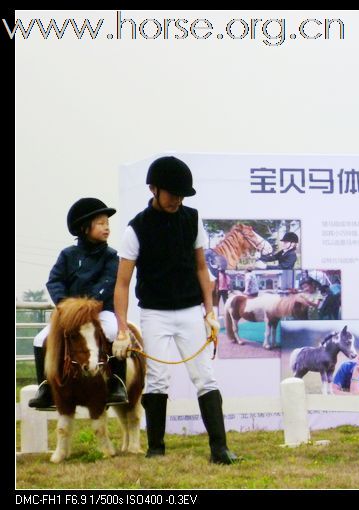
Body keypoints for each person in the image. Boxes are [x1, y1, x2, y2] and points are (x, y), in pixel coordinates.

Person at [112, 156, 236, 465]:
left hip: (191, 309)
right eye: (172, 194)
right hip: (154, 313)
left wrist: (210, 313)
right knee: (157, 378)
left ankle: (220, 449)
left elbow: (201, 269)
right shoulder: (136, 229)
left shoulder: (192, 219)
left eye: (182, 195)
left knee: (205, 376)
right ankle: (156, 447)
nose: (177, 200)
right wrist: (123, 329)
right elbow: (123, 283)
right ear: (153, 189)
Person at [28, 198, 128, 409]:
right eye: (101, 223)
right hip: (69, 314)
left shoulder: (111, 257)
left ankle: (116, 383)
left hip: (101, 312)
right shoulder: (67, 255)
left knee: (111, 332)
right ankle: (46, 386)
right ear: (84, 228)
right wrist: (65, 306)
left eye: (107, 223)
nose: (106, 227)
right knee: (40, 339)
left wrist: (83, 308)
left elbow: (108, 283)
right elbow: (54, 281)